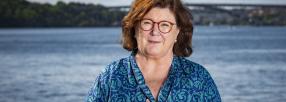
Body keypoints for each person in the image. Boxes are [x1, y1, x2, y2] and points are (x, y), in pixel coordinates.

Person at [86, 0, 221, 101]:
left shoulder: (199, 78)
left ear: (177, 32)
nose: (155, 31)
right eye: (147, 23)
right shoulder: (110, 78)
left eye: (164, 25)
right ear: (134, 28)